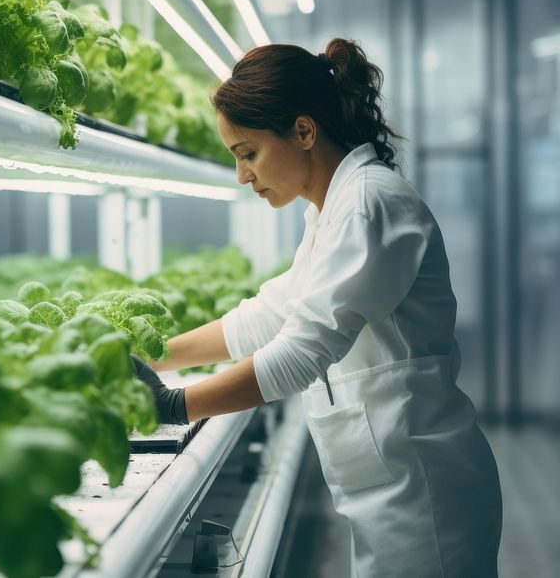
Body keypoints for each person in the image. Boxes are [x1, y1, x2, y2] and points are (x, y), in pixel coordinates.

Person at [132, 39, 502, 577]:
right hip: (390, 487)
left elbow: (303, 351)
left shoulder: (368, 204)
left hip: (423, 494)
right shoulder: (333, 209)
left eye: (247, 154)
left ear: (304, 132)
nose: (243, 176)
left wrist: (174, 406)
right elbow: (272, 314)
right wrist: (153, 357)